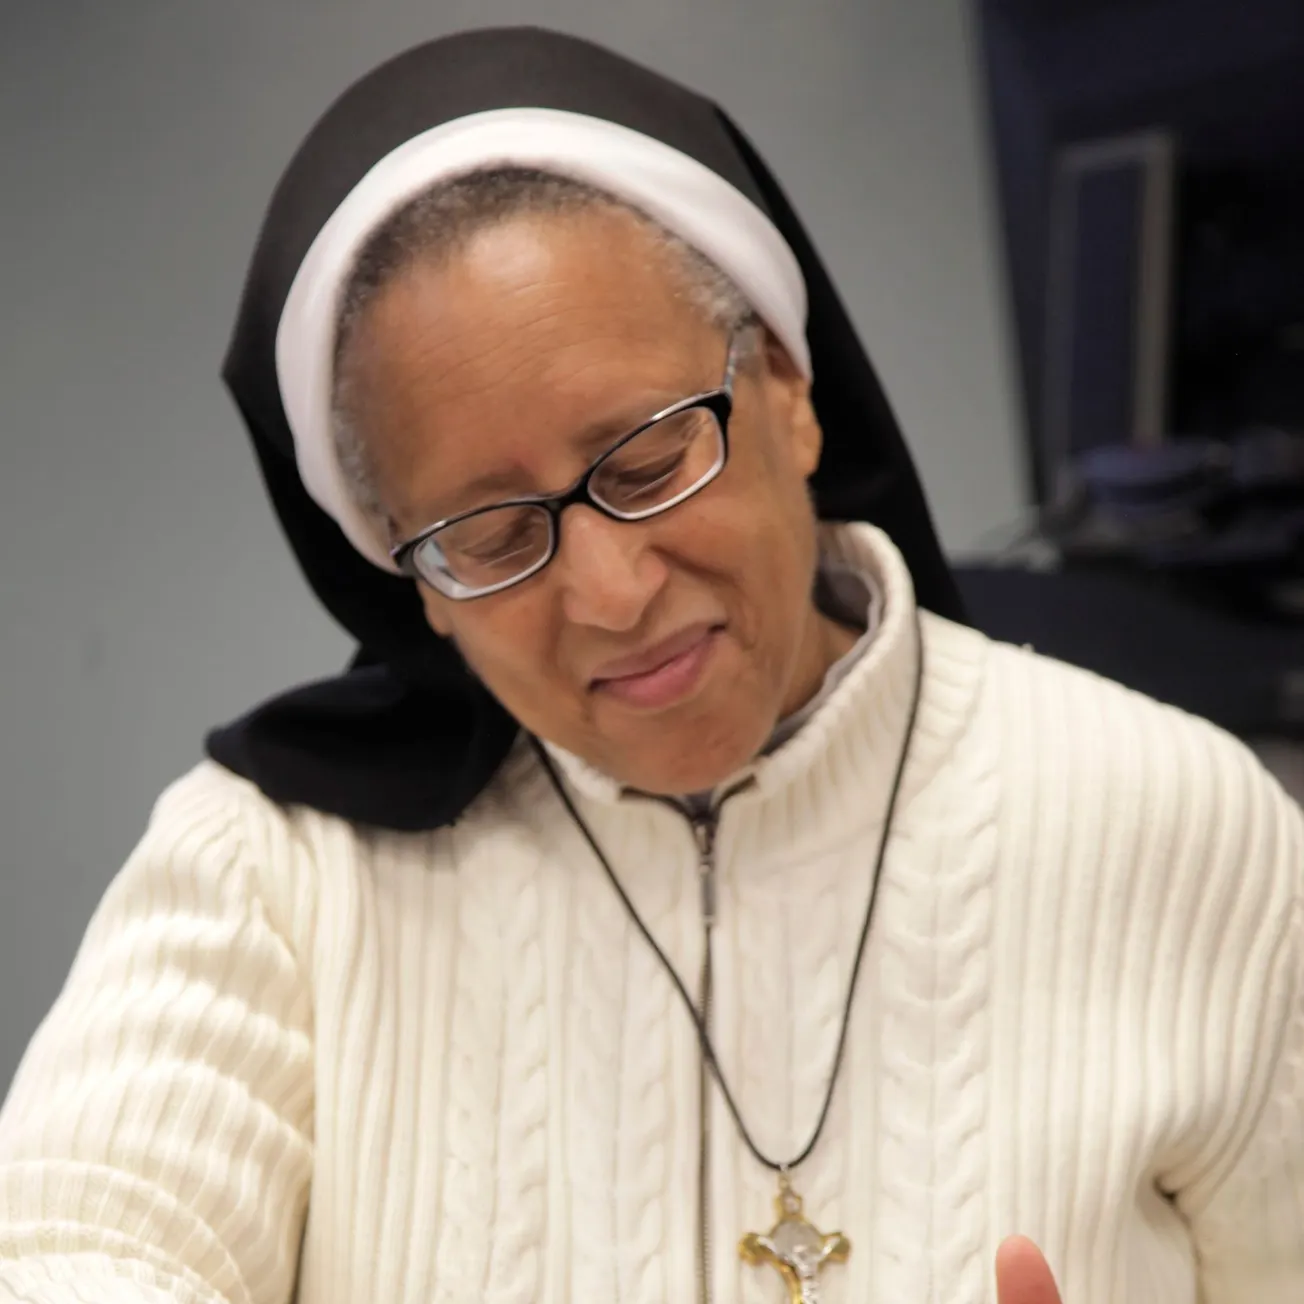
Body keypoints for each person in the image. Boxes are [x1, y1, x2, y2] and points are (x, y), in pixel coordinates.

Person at [0, 26, 1300, 1304]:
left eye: (648, 462)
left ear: (787, 390)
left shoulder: (1190, 828)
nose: (612, 593)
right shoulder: (274, 873)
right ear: (416, 589)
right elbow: (77, 1247)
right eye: (492, 538)